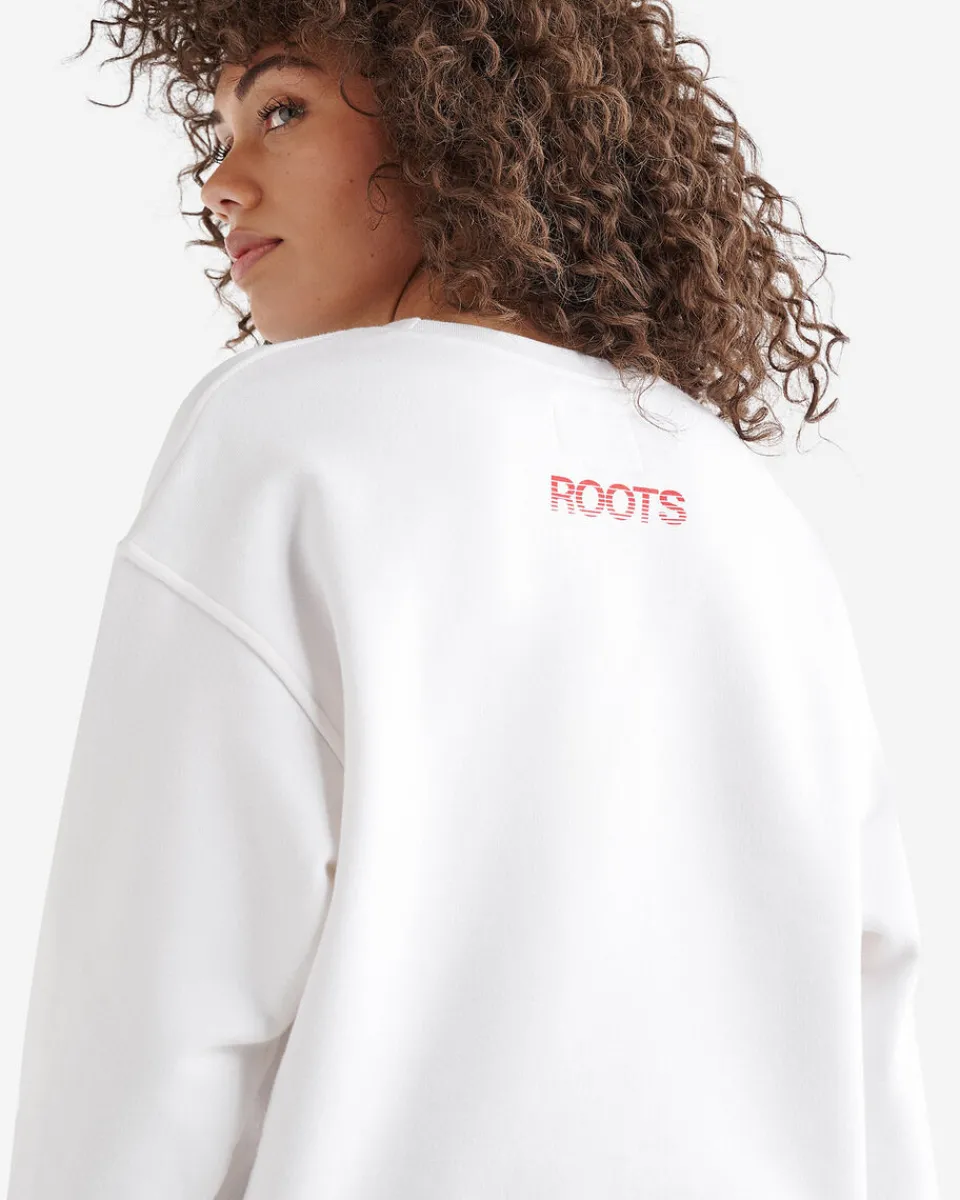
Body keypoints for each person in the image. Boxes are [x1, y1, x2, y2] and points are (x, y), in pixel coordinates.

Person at [7, 3, 941, 1199]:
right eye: (221, 132)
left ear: (447, 116)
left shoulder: (286, 439)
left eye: (280, 110)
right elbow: (867, 1012)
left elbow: (154, 1000)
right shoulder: (740, 501)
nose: (220, 184)